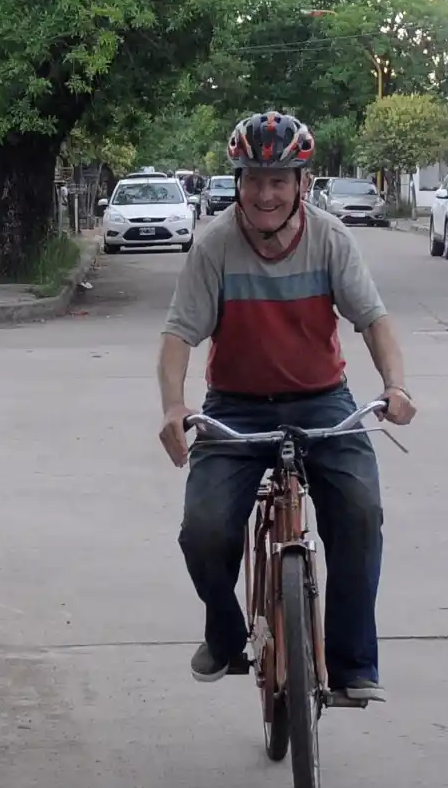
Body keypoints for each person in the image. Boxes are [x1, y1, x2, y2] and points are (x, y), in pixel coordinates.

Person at [157, 111, 415, 703]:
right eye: (254, 178)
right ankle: (223, 632)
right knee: (204, 529)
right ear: (238, 182)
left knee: (359, 512)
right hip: (237, 408)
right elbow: (178, 338)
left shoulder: (330, 238)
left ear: (303, 183)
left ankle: (352, 663)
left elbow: (373, 320)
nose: (265, 193)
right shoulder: (215, 246)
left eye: (280, 180)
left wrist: (395, 387)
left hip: (323, 402)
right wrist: (175, 406)